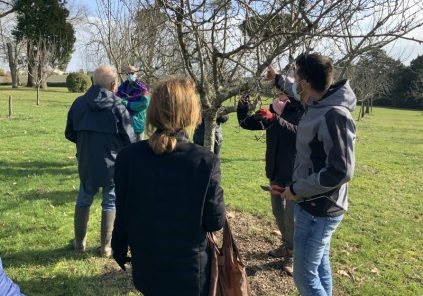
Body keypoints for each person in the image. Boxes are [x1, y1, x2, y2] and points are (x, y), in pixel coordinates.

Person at [111, 77, 226, 296]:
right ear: (191, 112)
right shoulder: (205, 161)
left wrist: (119, 246)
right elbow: (215, 221)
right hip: (190, 273)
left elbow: (123, 211)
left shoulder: (128, 157)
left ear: (153, 110)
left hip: (147, 267)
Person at [269, 53, 356, 296]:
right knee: (319, 267)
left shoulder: (334, 114)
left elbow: (340, 170)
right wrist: (277, 78)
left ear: (305, 82)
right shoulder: (317, 101)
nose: (294, 82)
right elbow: (294, 91)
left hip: (320, 209)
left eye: (296, 76)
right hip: (311, 203)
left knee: (304, 275)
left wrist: (297, 190)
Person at [65, 65, 136, 257]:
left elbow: (70, 133)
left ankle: (80, 243)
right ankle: (106, 247)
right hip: (113, 164)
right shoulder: (118, 106)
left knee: (84, 198)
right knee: (110, 201)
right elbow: (130, 139)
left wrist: (86, 144)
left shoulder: (78, 104)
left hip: (87, 161)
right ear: (113, 84)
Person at [237, 73, 304, 274]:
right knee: (278, 212)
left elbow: (300, 133)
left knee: (291, 216)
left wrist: (275, 119)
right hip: (275, 170)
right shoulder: (275, 109)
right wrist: (243, 101)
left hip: (294, 172)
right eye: (278, 91)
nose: (279, 94)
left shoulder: (302, 110)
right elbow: (246, 123)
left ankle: (293, 255)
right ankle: (286, 244)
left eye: (283, 91)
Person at [117, 65, 150, 141]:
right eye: (127, 74)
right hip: (125, 123)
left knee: (139, 147)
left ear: (136, 74)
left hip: (137, 123)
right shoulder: (122, 87)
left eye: (132, 73)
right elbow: (117, 98)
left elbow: (145, 103)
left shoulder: (142, 88)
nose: (129, 75)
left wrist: (128, 104)